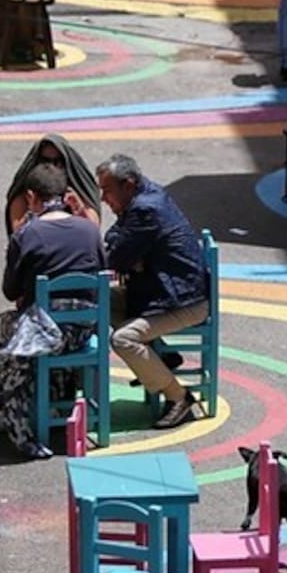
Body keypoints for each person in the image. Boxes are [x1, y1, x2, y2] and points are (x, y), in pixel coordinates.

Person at [0, 163, 108, 458]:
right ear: (65, 194)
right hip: (83, 329)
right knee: (34, 332)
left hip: (44, 333)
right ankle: (54, 395)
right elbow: (103, 271)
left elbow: (11, 291)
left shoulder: (28, 234)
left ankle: (1, 407)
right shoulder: (89, 229)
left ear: (32, 196)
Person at [97, 154, 209, 430]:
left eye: (107, 190)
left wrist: (129, 257)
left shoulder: (145, 209)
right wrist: (130, 255)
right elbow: (115, 240)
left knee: (123, 340)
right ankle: (162, 356)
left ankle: (179, 397)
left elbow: (114, 258)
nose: (103, 198)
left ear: (129, 184)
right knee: (101, 302)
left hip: (182, 302)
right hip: (160, 292)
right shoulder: (144, 196)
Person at [5, 133, 101, 236]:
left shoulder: (77, 191)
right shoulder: (27, 195)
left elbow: (93, 231)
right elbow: (17, 234)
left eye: (57, 161)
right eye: (45, 161)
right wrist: (33, 211)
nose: (51, 167)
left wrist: (80, 209)